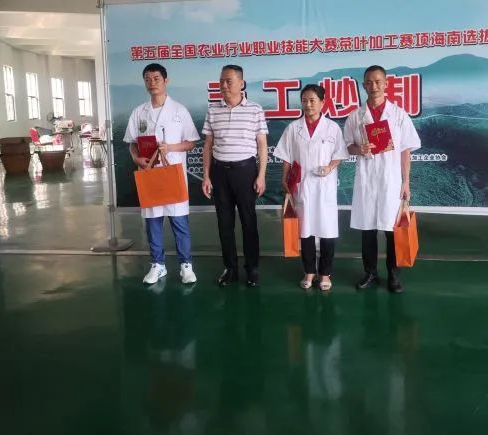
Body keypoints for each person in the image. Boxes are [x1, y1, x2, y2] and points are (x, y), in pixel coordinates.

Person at [344, 65, 421, 293]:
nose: (374, 86)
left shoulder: (398, 115)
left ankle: (394, 275)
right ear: (363, 85)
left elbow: (405, 150)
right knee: (367, 230)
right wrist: (360, 149)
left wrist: (406, 182)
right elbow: (347, 146)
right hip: (367, 179)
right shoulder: (355, 116)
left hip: (391, 180)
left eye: (378, 81)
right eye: (369, 82)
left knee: (391, 230)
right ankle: (370, 273)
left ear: (386, 84)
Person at [124, 63, 200, 285]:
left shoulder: (179, 111)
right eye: (147, 79)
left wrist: (171, 148)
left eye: (156, 78)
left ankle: (186, 265)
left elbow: (191, 143)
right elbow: (132, 143)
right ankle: (158, 265)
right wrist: (136, 158)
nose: (152, 83)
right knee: (153, 222)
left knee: (179, 222)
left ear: (166, 81)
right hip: (150, 174)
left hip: (172, 173)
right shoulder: (139, 112)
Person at [273, 84, 349, 291]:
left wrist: (329, 167)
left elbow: (339, 154)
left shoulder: (332, 128)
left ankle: (325, 273)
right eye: (304, 100)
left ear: (322, 103)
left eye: (312, 100)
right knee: (305, 230)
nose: (308, 104)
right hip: (302, 186)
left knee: (327, 230)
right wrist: (284, 178)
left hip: (325, 187)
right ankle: (309, 271)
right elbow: (286, 156)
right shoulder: (293, 128)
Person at [201, 65, 269, 287]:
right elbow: (207, 145)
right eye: (221, 81)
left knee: (249, 221)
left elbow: (262, 145)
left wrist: (261, 175)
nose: (224, 85)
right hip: (219, 172)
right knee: (224, 223)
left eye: (228, 81)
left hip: (245, 172)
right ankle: (230, 268)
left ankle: (252, 269)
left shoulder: (255, 109)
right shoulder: (213, 110)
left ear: (241, 83)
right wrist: (206, 176)